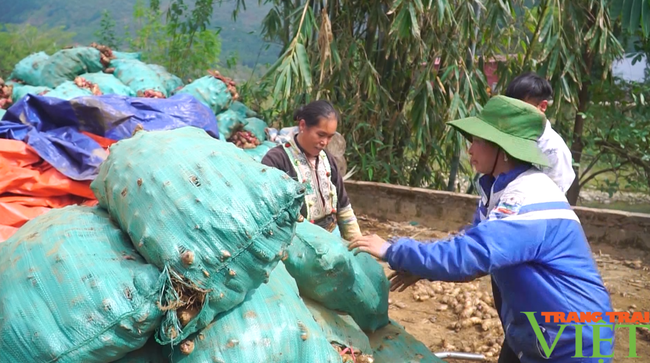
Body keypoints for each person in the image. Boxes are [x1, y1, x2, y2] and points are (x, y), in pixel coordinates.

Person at [349, 96, 614, 363]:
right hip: (534, 331)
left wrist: (392, 250)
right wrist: (420, 267)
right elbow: (472, 245)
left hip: (571, 339)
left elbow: (471, 254)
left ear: (503, 149)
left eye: (477, 141)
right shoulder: (498, 189)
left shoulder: (528, 198)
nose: (470, 149)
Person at [261, 100, 362, 240]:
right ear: (302, 125)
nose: (325, 142)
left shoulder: (328, 159)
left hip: (330, 238)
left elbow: (344, 208)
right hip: (296, 243)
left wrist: (357, 243)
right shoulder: (277, 160)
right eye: (321, 135)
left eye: (330, 137)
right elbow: (267, 214)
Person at [505, 72, 575, 194]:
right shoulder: (506, 137)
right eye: (511, 106)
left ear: (542, 106)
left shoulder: (553, 149)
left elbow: (553, 195)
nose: (513, 113)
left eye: (521, 108)